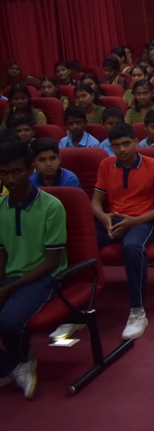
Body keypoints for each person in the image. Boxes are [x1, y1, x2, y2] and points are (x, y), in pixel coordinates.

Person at [92, 123, 154, 340]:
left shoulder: (153, 164)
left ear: (136, 142)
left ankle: (137, 311)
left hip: (142, 221)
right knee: (79, 242)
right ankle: (79, 306)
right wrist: (103, 217)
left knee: (132, 248)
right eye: (116, 146)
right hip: (113, 219)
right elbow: (95, 202)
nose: (121, 150)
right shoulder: (106, 164)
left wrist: (135, 221)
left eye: (126, 144)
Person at [0, 140, 67, 399]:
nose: (10, 179)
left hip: (45, 277)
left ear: (30, 170)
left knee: (8, 321)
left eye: (16, 171)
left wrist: (8, 290)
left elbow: (52, 262)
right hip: (13, 275)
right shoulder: (1, 207)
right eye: (4, 173)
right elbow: (2, 254)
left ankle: (22, 357)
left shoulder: (51, 206)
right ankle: (13, 364)